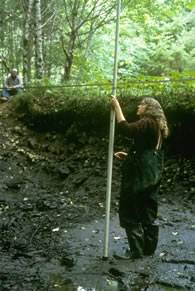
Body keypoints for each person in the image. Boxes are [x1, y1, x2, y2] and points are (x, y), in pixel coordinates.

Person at [110, 95, 169, 259]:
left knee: (131, 207)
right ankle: (148, 248)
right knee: (146, 206)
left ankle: (136, 250)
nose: (138, 106)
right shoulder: (155, 125)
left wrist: (117, 107)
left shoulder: (147, 121)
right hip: (151, 171)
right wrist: (128, 155)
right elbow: (146, 149)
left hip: (140, 172)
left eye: (142, 104)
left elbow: (127, 129)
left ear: (149, 108)